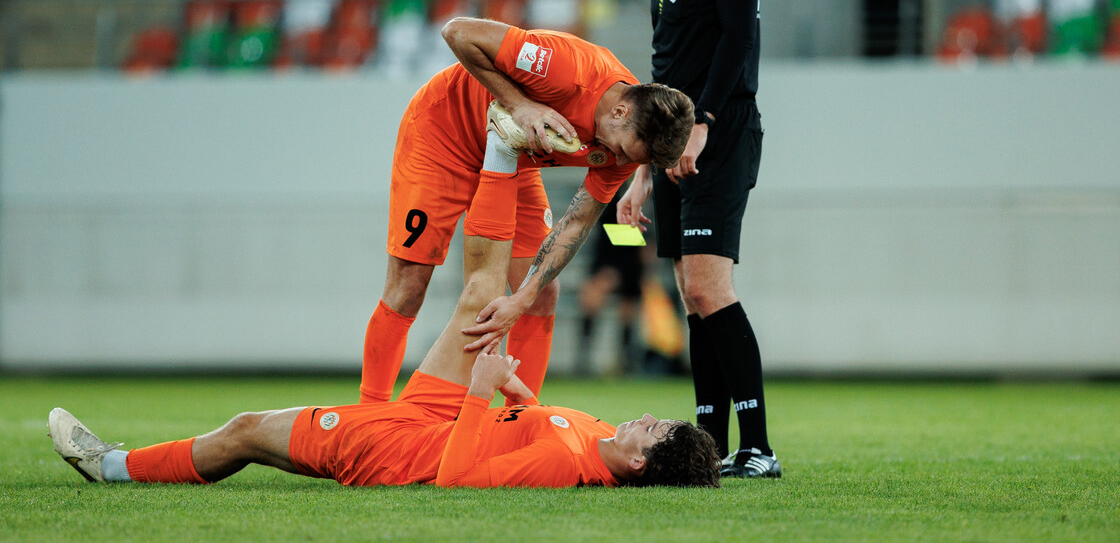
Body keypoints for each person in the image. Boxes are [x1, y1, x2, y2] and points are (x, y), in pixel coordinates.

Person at [49, 234, 722, 489]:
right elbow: (529, 424)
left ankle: (108, 467)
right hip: (420, 427)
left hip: (397, 453)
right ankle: (502, 156)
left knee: (248, 430)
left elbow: (457, 482)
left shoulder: (567, 466)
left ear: (639, 464)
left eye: (652, 431)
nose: (641, 420)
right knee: (483, 302)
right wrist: (516, 393)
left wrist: (479, 395)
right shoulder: (592, 440)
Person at [360, 16, 694, 409]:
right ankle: (370, 415)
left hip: (511, 157)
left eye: (628, 160)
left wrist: (522, 297)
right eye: (622, 151)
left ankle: (517, 421)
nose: (616, 161)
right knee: (408, 289)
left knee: (541, 295)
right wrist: (521, 105)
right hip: (443, 137)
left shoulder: (626, 145)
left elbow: (577, 223)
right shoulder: (565, 68)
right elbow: (456, 31)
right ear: (620, 112)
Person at [619, 0, 778, 479]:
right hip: (674, 144)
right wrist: (641, 170)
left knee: (711, 286)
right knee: (690, 293)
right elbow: (663, 77)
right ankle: (712, 444)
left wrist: (705, 122)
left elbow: (739, 34)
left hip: (720, 131)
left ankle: (759, 446)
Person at [574, 193, 654, 375]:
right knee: (593, 299)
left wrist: (649, 245)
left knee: (628, 307)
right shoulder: (618, 184)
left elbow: (651, 221)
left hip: (634, 252)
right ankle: (583, 359)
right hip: (609, 251)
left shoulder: (649, 181)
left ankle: (625, 361)